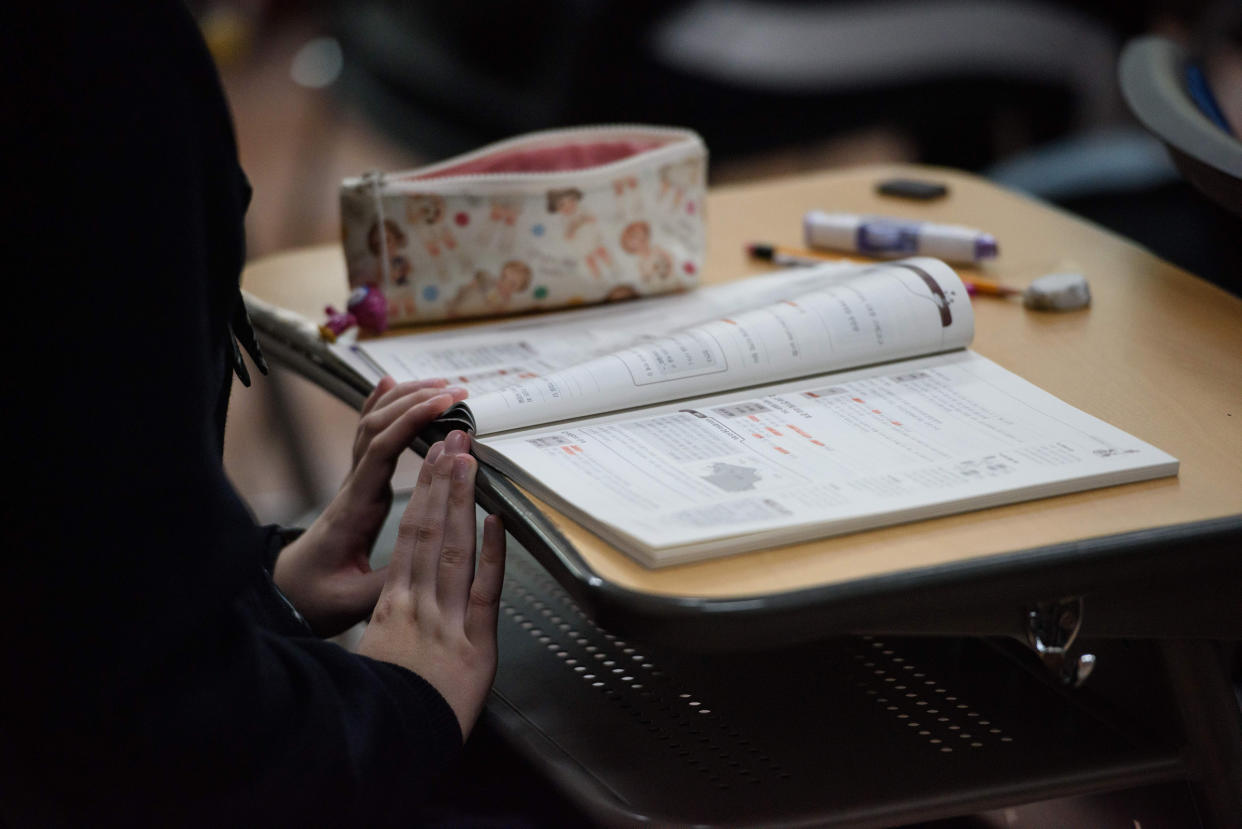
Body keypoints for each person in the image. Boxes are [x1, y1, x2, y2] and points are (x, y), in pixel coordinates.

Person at [2, 2, 506, 825]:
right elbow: (132, 721)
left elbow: (56, 553)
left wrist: (245, 596)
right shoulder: (86, 63)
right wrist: (395, 712)